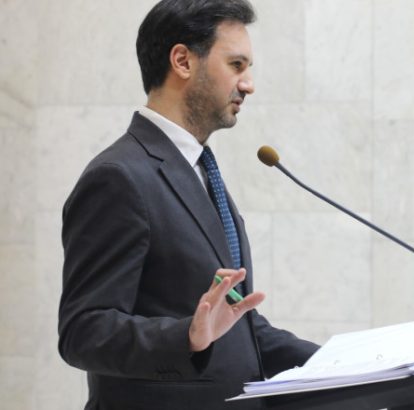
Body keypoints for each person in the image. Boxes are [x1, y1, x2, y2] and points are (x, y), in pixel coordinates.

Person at [58, 1, 319, 409]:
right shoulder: (119, 177)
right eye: (236, 65)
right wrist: (186, 337)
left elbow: (236, 326)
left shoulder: (200, 169)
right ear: (182, 61)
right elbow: (83, 332)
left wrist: (350, 361)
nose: (248, 84)